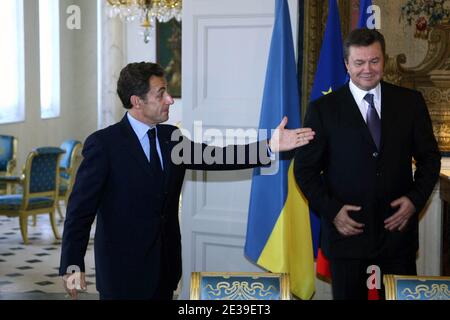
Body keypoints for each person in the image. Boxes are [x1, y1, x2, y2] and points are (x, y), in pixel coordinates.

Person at [59, 62, 315, 300]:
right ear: (137, 101)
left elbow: (217, 156)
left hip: (166, 269)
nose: (170, 100)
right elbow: (79, 212)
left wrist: (269, 145)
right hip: (122, 275)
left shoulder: (172, 137)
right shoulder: (104, 144)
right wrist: (72, 265)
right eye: (161, 94)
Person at [294, 28, 441, 300]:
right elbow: (304, 171)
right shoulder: (323, 110)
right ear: (347, 65)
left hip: (397, 236)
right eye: (359, 62)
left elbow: (430, 159)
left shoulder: (410, 103)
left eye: (374, 61)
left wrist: (414, 200)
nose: (367, 69)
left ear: (383, 60)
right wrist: (333, 210)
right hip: (347, 237)